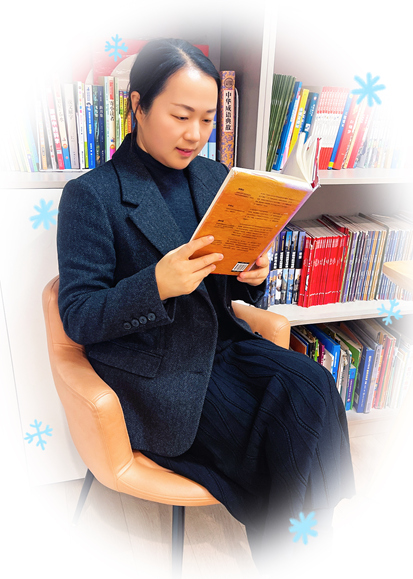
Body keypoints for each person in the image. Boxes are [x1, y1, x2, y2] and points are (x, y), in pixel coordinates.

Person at [57, 38, 355, 572]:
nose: (195, 134)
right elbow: (78, 315)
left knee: (314, 386)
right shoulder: (91, 196)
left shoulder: (215, 178)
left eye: (207, 119)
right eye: (180, 116)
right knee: (277, 432)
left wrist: (251, 275)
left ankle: (310, 541)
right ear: (138, 105)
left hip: (223, 344)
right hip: (156, 369)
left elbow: (228, 286)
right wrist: (155, 284)